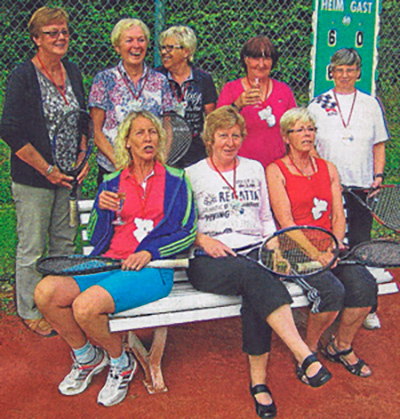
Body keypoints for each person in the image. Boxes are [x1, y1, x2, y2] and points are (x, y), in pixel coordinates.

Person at [34, 110, 197, 407]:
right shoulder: (111, 181)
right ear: (127, 142)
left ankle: (121, 363)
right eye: (140, 133)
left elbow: (187, 231)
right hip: (108, 263)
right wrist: (101, 208)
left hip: (152, 269)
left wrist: (150, 252)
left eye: (153, 132)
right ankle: (86, 356)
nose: (148, 138)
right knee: (46, 293)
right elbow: (97, 236)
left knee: (86, 307)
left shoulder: (176, 180)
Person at [186, 106, 331, 419]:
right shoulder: (192, 174)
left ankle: (259, 383)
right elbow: (181, 225)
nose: (230, 142)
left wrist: (273, 247)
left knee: (256, 289)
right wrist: (202, 240)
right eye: (223, 135)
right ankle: (303, 354)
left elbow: (266, 217)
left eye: (236, 135)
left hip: (254, 252)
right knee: (255, 277)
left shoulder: (254, 168)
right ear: (210, 139)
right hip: (210, 258)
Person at [266, 108, 376, 383]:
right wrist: (317, 254)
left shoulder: (328, 168)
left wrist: (333, 247)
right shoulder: (276, 170)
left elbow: (338, 215)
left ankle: (340, 346)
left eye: (310, 129)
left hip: (331, 248)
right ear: (286, 137)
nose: (307, 134)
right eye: (299, 130)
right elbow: (287, 223)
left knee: (365, 287)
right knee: (331, 293)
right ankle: (309, 351)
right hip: (294, 249)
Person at [0, 7, 87, 337]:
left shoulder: (73, 71)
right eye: (52, 33)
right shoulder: (23, 76)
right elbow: (10, 130)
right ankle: (30, 308)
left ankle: (58, 303)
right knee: (33, 246)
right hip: (34, 178)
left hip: (68, 177)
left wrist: (81, 157)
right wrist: (47, 169)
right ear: (36, 39)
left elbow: (81, 119)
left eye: (64, 31)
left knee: (64, 243)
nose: (61, 37)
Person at [307, 48, 389, 330]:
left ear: (358, 73)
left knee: (361, 246)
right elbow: (309, 147)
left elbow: (379, 144)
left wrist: (378, 176)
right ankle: (335, 302)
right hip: (328, 190)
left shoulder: (370, 104)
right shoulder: (318, 104)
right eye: (339, 70)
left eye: (350, 70)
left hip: (362, 188)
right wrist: (323, 179)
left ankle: (367, 306)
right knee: (331, 244)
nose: (344, 75)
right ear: (331, 72)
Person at [88, 18, 175, 185]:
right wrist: (120, 165)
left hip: (150, 173)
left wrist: (160, 161)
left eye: (141, 40)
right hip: (114, 170)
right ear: (117, 47)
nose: (136, 46)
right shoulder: (104, 80)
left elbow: (167, 126)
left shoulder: (160, 81)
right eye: (129, 40)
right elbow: (95, 129)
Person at [217, 36, 296, 168]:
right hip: (240, 165)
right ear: (246, 59)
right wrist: (237, 105)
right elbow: (217, 125)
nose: (261, 64)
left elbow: (294, 129)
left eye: (266, 58)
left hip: (276, 166)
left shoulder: (283, 91)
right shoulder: (231, 89)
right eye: (256, 58)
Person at [157, 25, 218, 166]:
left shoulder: (203, 79)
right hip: (163, 148)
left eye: (170, 48)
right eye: (163, 48)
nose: (164, 52)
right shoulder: (156, 78)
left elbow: (210, 118)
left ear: (186, 51)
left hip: (195, 149)